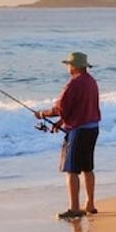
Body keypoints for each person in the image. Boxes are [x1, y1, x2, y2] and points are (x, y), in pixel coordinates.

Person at [35, 51, 101, 220]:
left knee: (71, 170)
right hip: (92, 128)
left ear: (75, 66)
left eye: (69, 64)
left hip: (78, 130)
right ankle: (90, 204)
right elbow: (80, 107)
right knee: (88, 167)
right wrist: (61, 122)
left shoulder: (74, 84)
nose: (68, 67)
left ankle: (74, 208)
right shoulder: (91, 81)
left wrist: (43, 114)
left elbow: (60, 109)